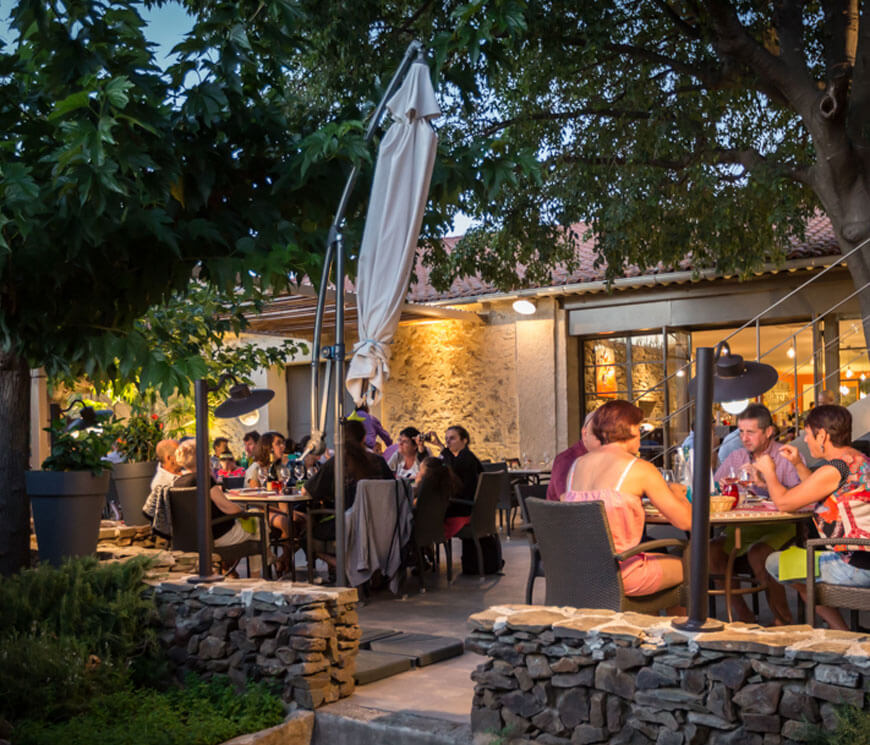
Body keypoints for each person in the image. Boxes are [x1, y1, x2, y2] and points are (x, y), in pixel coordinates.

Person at [562, 399, 692, 598]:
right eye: (639, 427)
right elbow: (686, 521)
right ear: (630, 428)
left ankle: (650, 623)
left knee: (659, 561)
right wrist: (676, 494)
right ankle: (679, 628)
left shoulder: (576, 466)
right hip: (620, 573)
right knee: (691, 565)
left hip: (580, 572)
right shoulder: (638, 468)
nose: (641, 434)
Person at [757, 404, 870, 630]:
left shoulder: (835, 469)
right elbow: (818, 490)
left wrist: (768, 472)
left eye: (807, 434)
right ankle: (840, 630)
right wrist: (798, 464)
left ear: (822, 435)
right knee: (799, 567)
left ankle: (841, 631)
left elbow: (784, 502)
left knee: (773, 561)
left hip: (856, 565)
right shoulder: (857, 460)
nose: (805, 440)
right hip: (865, 556)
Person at [711, 403, 803, 624]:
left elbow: (800, 499)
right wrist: (722, 487)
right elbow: (714, 491)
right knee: (709, 551)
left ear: (768, 431)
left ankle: (783, 620)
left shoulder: (785, 457)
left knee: (758, 553)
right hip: (744, 527)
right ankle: (743, 617)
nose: (744, 438)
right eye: (741, 431)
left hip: (782, 526)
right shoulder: (736, 457)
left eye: (751, 432)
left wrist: (762, 483)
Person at [174, 439, 289, 576]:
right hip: (220, 535)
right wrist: (242, 510)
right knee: (257, 519)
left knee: (255, 521)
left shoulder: (177, 482)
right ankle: (258, 574)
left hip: (196, 537)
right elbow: (229, 508)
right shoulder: (203, 480)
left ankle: (268, 560)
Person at [302, 419, 393, 542]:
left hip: (347, 525)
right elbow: (391, 489)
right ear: (364, 438)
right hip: (380, 524)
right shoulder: (379, 462)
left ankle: (339, 561)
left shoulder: (335, 463)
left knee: (306, 535)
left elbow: (306, 491)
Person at [425, 425, 483, 517]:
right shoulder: (467, 456)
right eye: (446, 438)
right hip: (466, 504)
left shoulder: (466, 456)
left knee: (426, 508)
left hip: (461, 506)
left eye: (452, 438)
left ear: (464, 440)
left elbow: (453, 468)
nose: (448, 441)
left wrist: (442, 447)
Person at [546, 411, 601, 501]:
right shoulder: (567, 460)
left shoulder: (602, 457)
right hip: (565, 514)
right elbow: (568, 502)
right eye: (599, 436)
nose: (607, 442)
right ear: (585, 433)